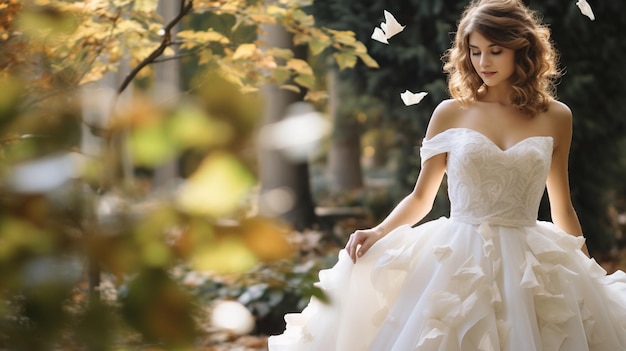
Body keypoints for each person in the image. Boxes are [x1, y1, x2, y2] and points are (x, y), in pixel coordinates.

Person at [268, 0, 626, 350]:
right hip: (457, 253)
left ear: (523, 50)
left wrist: (586, 268)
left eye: (496, 50)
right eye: (475, 51)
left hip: (529, 262)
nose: (483, 62)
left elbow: (561, 204)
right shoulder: (450, 113)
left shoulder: (557, 116)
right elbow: (421, 197)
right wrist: (377, 231)